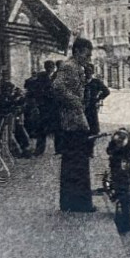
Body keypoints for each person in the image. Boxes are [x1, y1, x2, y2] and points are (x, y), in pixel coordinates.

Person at [51, 39, 97, 212]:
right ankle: (79, 203)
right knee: (77, 160)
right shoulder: (69, 67)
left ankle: (73, 202)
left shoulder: (76, 67)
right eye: (87, 53)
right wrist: (76, 102)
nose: (89, 57)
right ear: (77, 51)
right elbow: (57, 86)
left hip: (75, 117)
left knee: (75, 161)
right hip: (72, 119)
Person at [22, 62, 56, 157]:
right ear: (45, 67)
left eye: (52, 67)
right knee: (41, 129)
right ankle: (39, 149)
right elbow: (34, 90)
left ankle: (56, 149)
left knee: (49, 129)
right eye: (48, 67)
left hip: (49, 107)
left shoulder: (52, 77)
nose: (50, 69)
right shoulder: (42, 77)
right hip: (42, 107)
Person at [83, 65, 110, 137]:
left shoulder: (96, 82)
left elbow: (106, 91)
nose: (87, 73)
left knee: (93, 117)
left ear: (92, 72)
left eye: (89, 71)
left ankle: (94, 132)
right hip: (82, 103)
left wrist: (98, 99)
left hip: (92, 103)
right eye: (86, 71)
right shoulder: (81, 82)